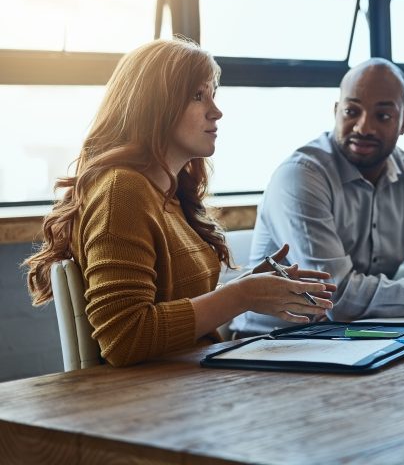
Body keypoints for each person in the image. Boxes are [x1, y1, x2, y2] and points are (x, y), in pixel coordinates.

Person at [23, 38, 335, 367]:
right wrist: (243, 296)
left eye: (213, 94)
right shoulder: (122, 190)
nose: (216, 111)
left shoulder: (167, 194)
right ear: (154, 106)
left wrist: (251, 284)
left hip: (189, 384)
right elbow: (125, 338)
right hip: (152, 401)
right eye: (198, 96)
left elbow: (171, 302)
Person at [232, 57, 404, 335]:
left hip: (358, 337)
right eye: (352, 111)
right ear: (336, 111)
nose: (364, 127)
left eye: (383, 116)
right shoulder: (301, 175)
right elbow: (336, 298)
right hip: (269, 346)